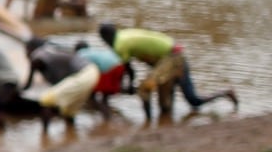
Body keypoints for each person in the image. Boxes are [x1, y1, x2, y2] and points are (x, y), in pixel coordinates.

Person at [99, 22, 237, 121]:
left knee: (145, 89)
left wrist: (128, 86)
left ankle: (147, 126)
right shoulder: (123, 35)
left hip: (172, 58)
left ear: (105, 37)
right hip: (171, 56)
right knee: (177, 105)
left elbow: (128, 70)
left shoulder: (119, 44)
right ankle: (226, 93)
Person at [23, 37, 98, 133]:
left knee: (46, 100)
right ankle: (71, 134)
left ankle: (44, 135)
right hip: (91, 72)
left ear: (31, 48)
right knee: (69, 111)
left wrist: (31, 69)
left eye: (26, 50)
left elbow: (37, 60)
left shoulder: (39, 53)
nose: (26, 53)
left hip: (83, 74)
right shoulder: (51, 51)